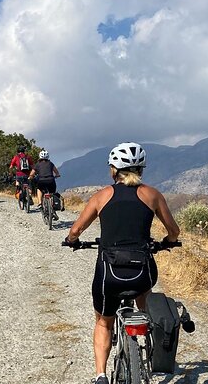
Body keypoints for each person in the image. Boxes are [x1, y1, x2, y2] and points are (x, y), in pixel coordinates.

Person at [63, 142, 179, 384]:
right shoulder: (153, 195)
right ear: (141, 170)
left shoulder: (101, 196)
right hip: (142, 271)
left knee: (103, 323)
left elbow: (75, 230)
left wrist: (72, 240)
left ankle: (101, 376)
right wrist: (167, 241)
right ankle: (151, 343)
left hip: (109, 274)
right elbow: (173, 231)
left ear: (114, 170)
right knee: (145, 306)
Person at [29, 149, 60, 218]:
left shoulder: (37, 164)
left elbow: (32, 173)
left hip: (41, 181)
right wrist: (57, 175)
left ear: (40, 156)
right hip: (51, 181)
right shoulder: (51, 163)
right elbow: (57, 172)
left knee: (39, 189)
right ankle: (52, 206)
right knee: (52, 193)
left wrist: (30, 177)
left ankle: (40, 203)